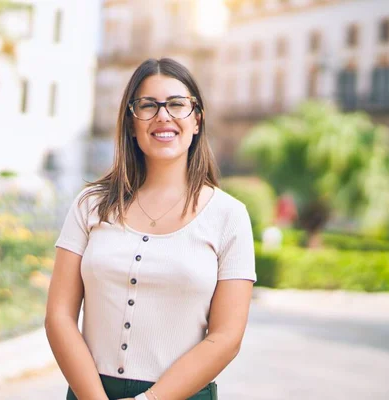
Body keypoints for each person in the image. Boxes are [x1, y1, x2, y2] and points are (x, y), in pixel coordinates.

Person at [45, 58, 256, 400]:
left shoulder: (229, 216)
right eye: (148, 105)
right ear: (130, 123)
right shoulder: (90, 205)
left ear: (197, 120)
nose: (163, 116)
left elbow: (227, 336)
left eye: (177, 104)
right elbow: (59, 316)